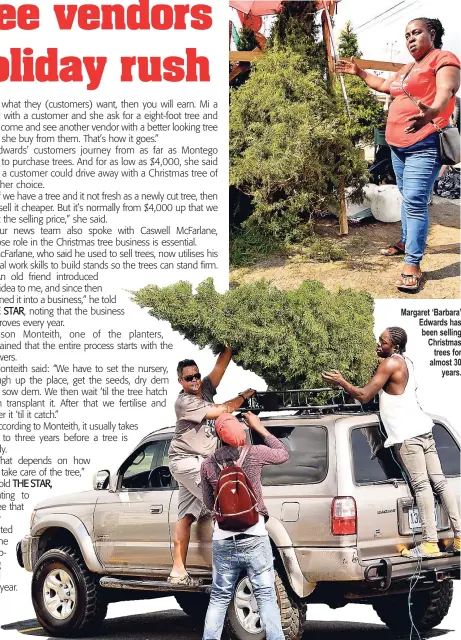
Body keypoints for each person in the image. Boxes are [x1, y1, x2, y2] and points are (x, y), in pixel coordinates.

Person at [336, 18, 460, 293]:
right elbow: (383, 86)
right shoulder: (408, 68)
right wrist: (359, 72)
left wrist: (431, 111)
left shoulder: (443, 58)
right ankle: (406, 240)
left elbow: (446, 90)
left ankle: (413, 264)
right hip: (397, 147)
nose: (410, 39)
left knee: (415, 202)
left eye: (416, 33)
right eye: (407, 35)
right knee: (407, 198)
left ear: (433, 33)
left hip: (424, 144)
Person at [322, 327, 460, 558]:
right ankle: (458, 538)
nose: (378, 344)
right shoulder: (406, 361)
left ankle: (429, 543)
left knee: (422, 486)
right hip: (425, 430)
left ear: (394, 347)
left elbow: (365, 395)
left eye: (382, 342)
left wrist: (342, 382)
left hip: (408, 436)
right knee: (440, 483)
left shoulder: (389, 365)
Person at [168, 348, 256, 585]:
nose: (195, 381)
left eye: (196, 375)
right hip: (186, 461)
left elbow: (220, 367)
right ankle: (231, 566)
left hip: (200, 462)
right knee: (222, 503)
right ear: (180, 381)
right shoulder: (184, 402)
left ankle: (178, 571)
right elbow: (222, 410)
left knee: (186, 516)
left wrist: (231, 344)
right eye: (189, 378)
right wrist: (244, 396)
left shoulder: (204, 389)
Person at [201, 411, 289, 640]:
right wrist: (259, 428)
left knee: (219, 597)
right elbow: (282, 454)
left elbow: (210, 503)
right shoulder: (256, 453)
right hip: (255, 536)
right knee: (266, 594)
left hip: (223, 539)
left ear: (218, 435)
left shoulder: (208, 464)